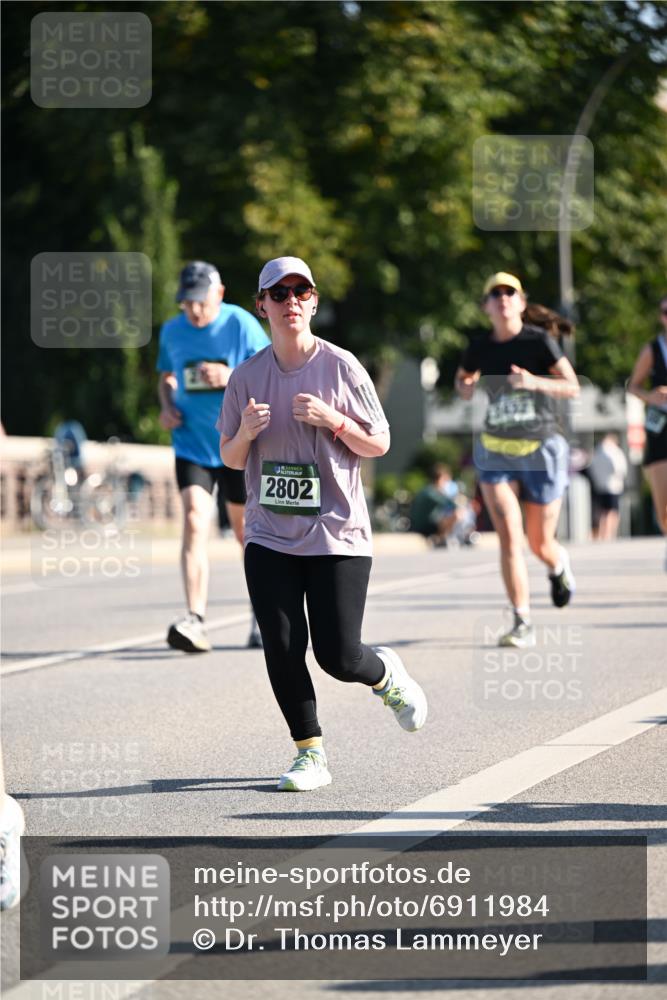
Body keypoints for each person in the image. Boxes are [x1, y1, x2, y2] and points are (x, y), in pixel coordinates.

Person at [218, 256, 427, 791]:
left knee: (338, 655)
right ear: (261, 304)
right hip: (269, 535)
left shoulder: (342, 366)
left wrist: (335, 421)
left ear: (313, 301)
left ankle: (384, 674)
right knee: (282, 645)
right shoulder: (247, 377)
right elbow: (232, 459)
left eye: (300, 292)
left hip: (337, 531)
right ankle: (309, 752)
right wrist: (244, 432)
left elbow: (379, 441)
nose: (291, 302)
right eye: (279, 294)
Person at [454, 272, 580, 648]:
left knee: (539, 542)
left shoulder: (538, 341)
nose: (503, 297)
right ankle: (521, 619)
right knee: (509, 536)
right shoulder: (479, 347)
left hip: (541, 448)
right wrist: (469, 386)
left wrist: (533, 382)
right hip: (497, 448)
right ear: (486, 306)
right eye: (495, 293)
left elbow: (572, 387)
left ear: (521, 302)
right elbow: (461, 384)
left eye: (510, 292)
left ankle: (558, 567)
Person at [157, 261, 270, 652]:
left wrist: (230, 376)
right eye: (186, 303)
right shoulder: (172, 331)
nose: (193, 310)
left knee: (246, 534)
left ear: (218, 294)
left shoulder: (240, 324)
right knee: (193, 520)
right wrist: (166, 405)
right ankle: (195, 619)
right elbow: (166, 377)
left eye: (199, 302)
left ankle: (262, 616)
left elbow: (270, 372)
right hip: (191, 443)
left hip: (237, 444)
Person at [628, 295, 667, 553]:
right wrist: (651, 396)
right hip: (660, 428)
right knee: (663, 506)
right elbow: (633, 386)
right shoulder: (653, 349)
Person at [410, 464, 478, 547]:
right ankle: (444, 538)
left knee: (455, 513)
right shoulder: (431, 492)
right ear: (439, 479)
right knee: (457, 514)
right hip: (423, 526)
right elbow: (450, 503)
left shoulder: (428, 490)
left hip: (424, 523)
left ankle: (461, 535)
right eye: (446, 480)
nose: (447, 483)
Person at [588, 433, 628, 541]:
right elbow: (620, 468)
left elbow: (592, 468)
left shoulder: (597, 452)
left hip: (600, 485)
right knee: (612, 511)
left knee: (602, 511)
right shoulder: (614, 452)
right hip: (613, 485)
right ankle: (610, 533)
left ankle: (602, 533)